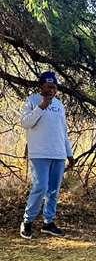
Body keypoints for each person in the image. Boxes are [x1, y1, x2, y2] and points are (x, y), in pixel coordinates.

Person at [19, 71, 75, 239]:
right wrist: (42, 106)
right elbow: (25, 123)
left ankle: (48, 223)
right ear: (41, 86)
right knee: (40, 186)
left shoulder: (59, 105)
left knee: (53, 190)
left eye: (54, 87)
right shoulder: (32, 101)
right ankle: (27, 221)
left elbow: (63, 131)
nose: (51, 90)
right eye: (48, 86)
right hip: (39, 154)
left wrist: (69, 154)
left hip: (58, 154)